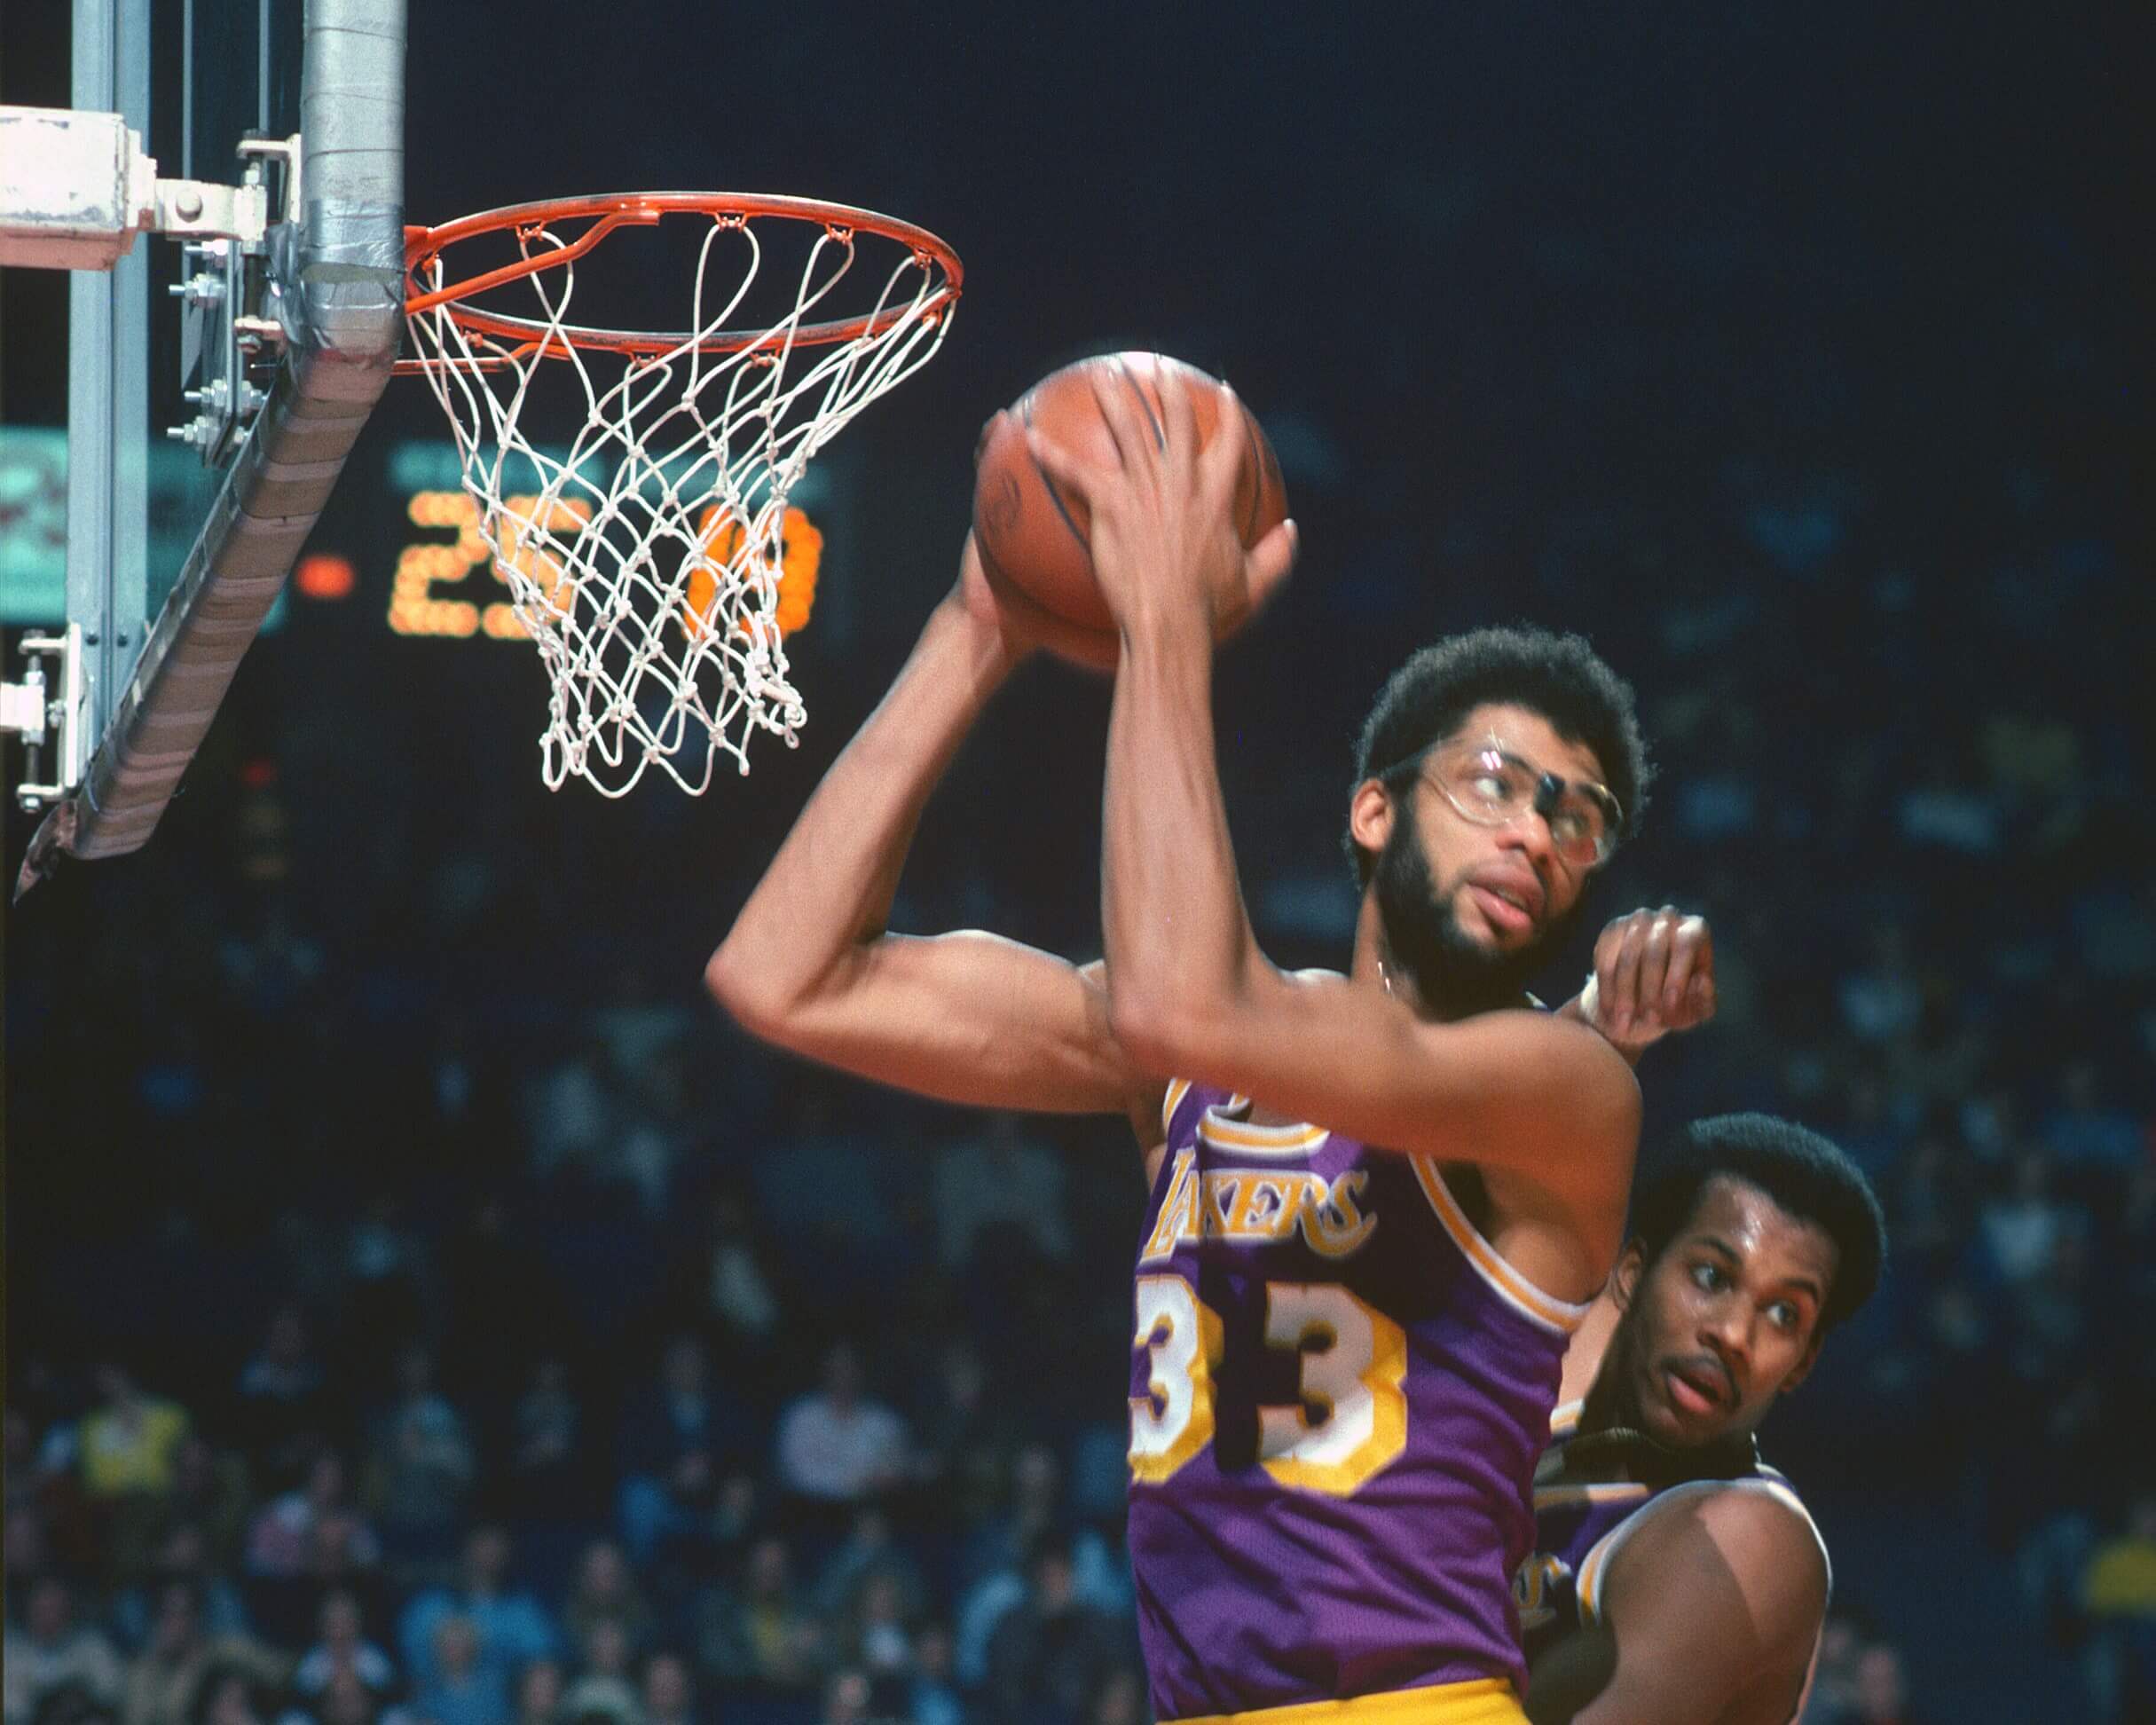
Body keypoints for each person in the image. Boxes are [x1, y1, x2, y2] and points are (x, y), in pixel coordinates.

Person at [708, 374, 1702, 1721]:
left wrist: (1159, 613)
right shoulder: (1204, 1056)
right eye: (1493, 782)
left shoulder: (1560, 1091)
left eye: (1576, 820)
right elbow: (783, 977)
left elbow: (1185, 1004)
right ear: (1371, 812)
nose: (1535, 832)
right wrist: (982, 624)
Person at [1516, 1113, 1888, 1725]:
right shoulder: (1561, 1390)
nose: (1734, 1335)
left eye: (1783, 1316)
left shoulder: (1752, 1541)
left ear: (1803, 1364)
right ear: (1633, 1276)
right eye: (1712, 1277)